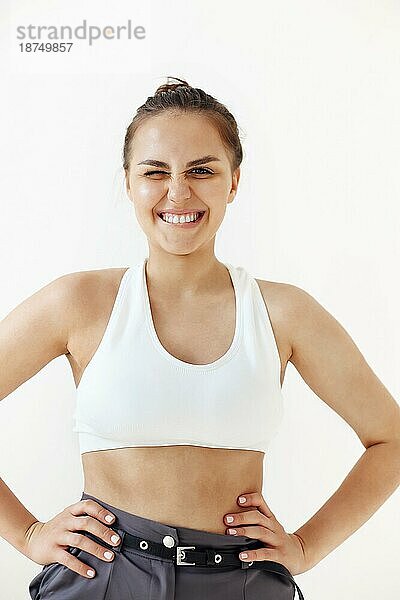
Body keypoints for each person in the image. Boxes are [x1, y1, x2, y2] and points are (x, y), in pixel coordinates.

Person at [1, 77, 399, 600]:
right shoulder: (77, 303)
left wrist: (305, 547)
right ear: (128, 182)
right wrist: (28, 534)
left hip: (242, 580)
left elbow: (389, 440)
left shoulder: (284, 313)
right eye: (155, 172)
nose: (178, 192)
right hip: (104, 575)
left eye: (201, 170)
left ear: (234, 181)